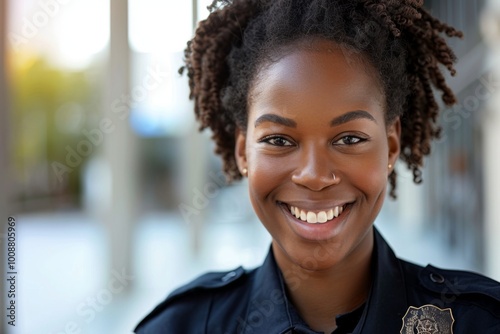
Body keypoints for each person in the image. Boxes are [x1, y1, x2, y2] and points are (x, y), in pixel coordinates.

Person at [135, 0, 500, 333]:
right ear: (243, 152)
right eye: (279, 140)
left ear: (390, 146)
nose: (314, 175)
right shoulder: (182, 326)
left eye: (349, 139)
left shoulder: (480, 323)